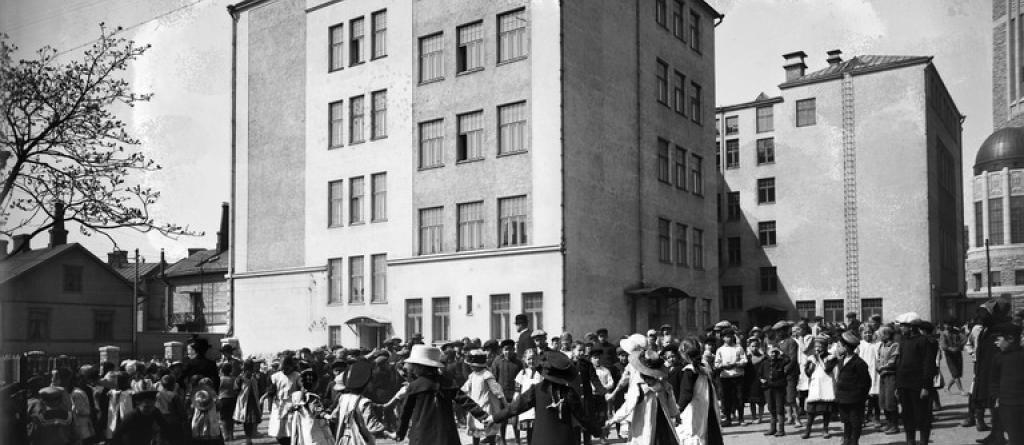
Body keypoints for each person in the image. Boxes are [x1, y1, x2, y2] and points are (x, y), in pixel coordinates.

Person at [494, 349, 598, 445]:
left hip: (541, 440)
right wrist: (599, 431)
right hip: (564, 440)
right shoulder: (569, 393)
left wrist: (494, 417)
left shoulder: (536, 390)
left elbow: (515, 407)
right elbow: (583, 418)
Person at [396, 344, 493, 445]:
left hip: (422, 434)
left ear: (418, 367)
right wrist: (483, 416)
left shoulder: (414, 386)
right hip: (446, 433)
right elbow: (465, 401)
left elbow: (405, 413)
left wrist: (400, 434)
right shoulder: (447, 382)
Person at [607, 348, 680, 445]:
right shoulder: (663, 385)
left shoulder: (640, 388)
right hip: (662, 426)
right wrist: (676, 415)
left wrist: (612, 420)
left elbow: (627, 407)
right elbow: (671, 403)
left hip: (645, 427)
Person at [895, 312, 938, 445]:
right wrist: (898, 386)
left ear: (912, 327)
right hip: (904, 385)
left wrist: (926, 386)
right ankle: (910, 441)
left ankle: (923, 441)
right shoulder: (903, 341)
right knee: (907, 416)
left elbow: (928, 365)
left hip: (918, 386)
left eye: (903, 326)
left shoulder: (925, 341)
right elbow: (900, 364)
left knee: (923, 416)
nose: (901, 328)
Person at [676, 336, 724, 445]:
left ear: (684, 354)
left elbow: (686, 394)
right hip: (708, 408)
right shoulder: (705, 366)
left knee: (694, 435)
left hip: (695, 410)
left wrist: (677, 410)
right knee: (708, 435)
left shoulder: (689, 371)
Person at [827, 331, 871, 445]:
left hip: (855, 399)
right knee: (846, 421)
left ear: (846, 347)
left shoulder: (859, 363)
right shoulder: (840, 360)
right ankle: (847, 440)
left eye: (840, 346)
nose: (837, 348)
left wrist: (861, 398)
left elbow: (866, 383)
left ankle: (854, 441)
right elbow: (827, 368)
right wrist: (834, 357)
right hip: (842, 398)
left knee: (855, 421)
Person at [328, 361, 378, 445]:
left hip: (344, 439)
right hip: (359, 440)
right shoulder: (364, 402)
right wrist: (390, 434)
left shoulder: (343, 398)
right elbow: (373, 426)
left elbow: (333, 416)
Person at [990, 322, 1024, 445]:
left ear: (1010, 339)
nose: (996, 343)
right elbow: (994, 381)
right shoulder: (998, 358)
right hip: (1007, 406)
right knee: (1015, 438)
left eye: (999, 339)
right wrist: (996, 397)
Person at [462, 349, 505, 444]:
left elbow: (497, 390)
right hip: (475, 406)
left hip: (486, 407)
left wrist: (503, 402)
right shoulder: (472, 375)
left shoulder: (487, 375)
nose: (470, 366)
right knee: (475, 430)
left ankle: (491, 442)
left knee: (489, 431)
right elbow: (465, 388)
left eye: (471, 364)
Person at [802, 334, 836, 439]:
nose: (818, 348)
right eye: (816, 346)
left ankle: (825, 430)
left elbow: (827, 369)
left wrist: (819, 358)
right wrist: (811, 364)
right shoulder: (811, 358)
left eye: (820, 346)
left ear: (825, 346)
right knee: (811, 411)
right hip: (815, 386)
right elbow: (808, 373)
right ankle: (808, 431)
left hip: (826, 386)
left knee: (826, 410)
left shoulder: (831, 357)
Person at [490, 339, 523, 445]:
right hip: (501, 396)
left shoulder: (518, 363)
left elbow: (521, 378)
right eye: (505, 350)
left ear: (514, 350)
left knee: (514, 421)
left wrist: (518, 393)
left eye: (510, 349)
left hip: (514, 395)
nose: (508, 352)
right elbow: (493, 379)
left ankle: (517, 440)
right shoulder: (497, 361)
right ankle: (503, 440)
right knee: (503, 420)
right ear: (502, 350)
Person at [713, 329, 747, 426]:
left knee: (739, 397)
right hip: (725, 377)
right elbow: (717, 364)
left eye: (730, 336)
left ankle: (741, 418)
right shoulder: (720, 350)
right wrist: (723, 365)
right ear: (723, 338)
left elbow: (744, 360)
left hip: (737, 376)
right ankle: (728, 418)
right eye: (726, 336)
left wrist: (736, 364)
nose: (729, 338)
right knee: (726, 398)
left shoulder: (738, 348)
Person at [759, 343, 793, 438]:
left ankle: (781, 430)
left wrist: (781, 352)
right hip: (768, 388)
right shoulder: (764, 363)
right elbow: (760, 374)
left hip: (779, 388)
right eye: (771, 352)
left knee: (779, 408)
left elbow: (788, 359)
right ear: (768, 353)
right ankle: (772, 428)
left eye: (775, 352)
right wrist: (761, 379)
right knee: (771, 407)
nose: (773, 354)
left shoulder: (781, 361)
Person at [268, 355, 301, 445]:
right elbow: (271, 392)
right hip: (279, 405)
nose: (284, 370)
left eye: (287, 368)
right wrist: (270, 406)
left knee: (290, 429)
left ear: (291, 366)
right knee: (278, 430)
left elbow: (301, 389)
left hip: (292, 405)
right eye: (282, 368)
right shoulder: (275, 376)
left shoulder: (297, 376)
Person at [513, 348, 543, 444]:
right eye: (529, 359)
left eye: (534, 358)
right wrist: (516, 403)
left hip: (539, 405)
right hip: (526, 406)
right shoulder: (522, 373)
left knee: (538, 432)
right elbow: (517, 390)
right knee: (529, 432)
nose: (531, 361)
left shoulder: (542, 373)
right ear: (525, 360)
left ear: (538, 359)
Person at [876, 325, 900, 435]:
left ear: (886, 335)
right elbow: (878, 358)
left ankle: (894, 425)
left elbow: (893, 360)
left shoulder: (894, 345)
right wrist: (878, 366)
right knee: (883, 400)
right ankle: (888, 423)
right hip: (882, 376)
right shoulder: (881, 345)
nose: (879, 336)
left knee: (891, 401)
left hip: (891, 376)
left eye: (881, 334)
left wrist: (883, 367)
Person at [233, 359, 263, 445]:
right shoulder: (253, 377)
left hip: (246, 403)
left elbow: (235, 389)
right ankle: (248, 439)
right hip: (251, 403)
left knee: (247, 423)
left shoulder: (241, 377)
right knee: (249, 423)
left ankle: (248, 440)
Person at [858, 325, 881, 427]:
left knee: (875, 396)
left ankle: (875, 417)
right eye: (865, 333)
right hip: (863, 373)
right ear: (861, 334)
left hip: (874, 373)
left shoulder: (876, 345)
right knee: (863, 397)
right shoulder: (859, 345)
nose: (867, 334)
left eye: (869, 332)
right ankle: (862, 417)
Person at [191, 377, 224, 445]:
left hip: (198, 425)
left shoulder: (196, 396)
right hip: (212, 424)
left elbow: (191, 407)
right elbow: (219, 406)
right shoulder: (214, 396)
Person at [940, 323, 967, 394]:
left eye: (950, 325)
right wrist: (950, 348)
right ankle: (961, 390)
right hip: (949, 355)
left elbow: (964, 339)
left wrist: (959, 346)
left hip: (957, 353)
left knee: (958, 373)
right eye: (947, 325)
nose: (949, 326)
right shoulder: (944, 334)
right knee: (955, 373)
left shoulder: (957, 332)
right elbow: (943, 345)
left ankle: (947, 387)